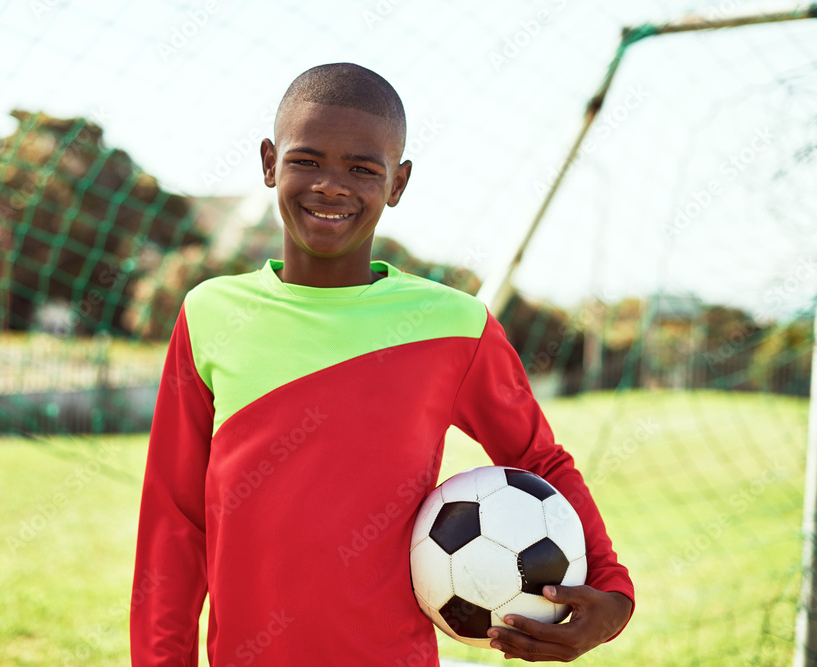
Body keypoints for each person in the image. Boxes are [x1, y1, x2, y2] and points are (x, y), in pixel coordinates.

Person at [130, 62, 634, 666]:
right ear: (269, 162)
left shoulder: (454, 325)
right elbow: (174, 517)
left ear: (398, 182)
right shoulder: (210, 312)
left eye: (363, 169)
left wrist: (611, 590)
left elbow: (537, 458)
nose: (331, 185)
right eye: (306, 160)